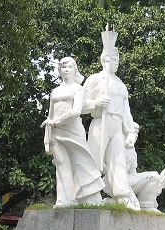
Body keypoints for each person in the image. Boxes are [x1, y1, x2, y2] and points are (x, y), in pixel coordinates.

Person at [82, 28, 139, 209]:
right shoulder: (94, 80)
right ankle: (88, 195)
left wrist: (130, 132)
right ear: (104, 60)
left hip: (116, 125)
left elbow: (126, 111)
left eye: (118, 59)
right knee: (92, 159)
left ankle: (121, 196)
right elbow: (81, 106)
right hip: (100, 123)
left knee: (118, 161)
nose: (116, 62)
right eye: (113, 59)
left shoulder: (121, 85)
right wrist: (96, 103)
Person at [41, 56, 104, 207]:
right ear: (60, 70)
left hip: (73, 130)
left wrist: (55, 122)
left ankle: (90, 198)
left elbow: (76, 112)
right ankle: (65, 200)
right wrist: (47, 137)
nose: (66, 69)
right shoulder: (54, 92)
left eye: (69, 67)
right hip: (56, 132)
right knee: (61, 164)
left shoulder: (78, 89)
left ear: (75, 69)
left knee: (82, 162)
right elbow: (50, 115)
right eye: (63, 67)